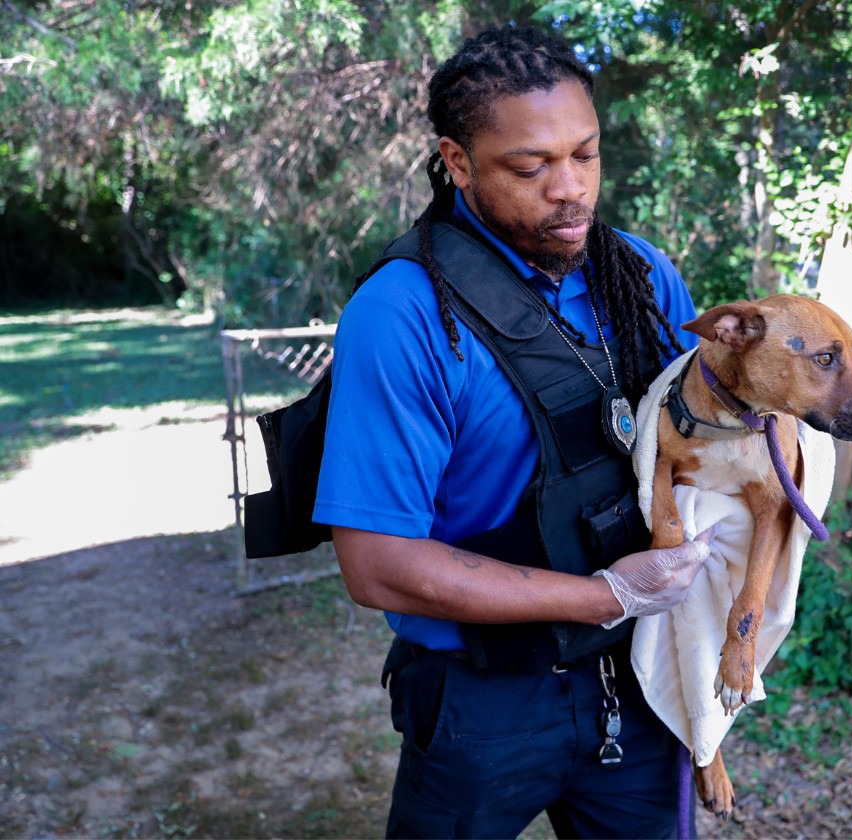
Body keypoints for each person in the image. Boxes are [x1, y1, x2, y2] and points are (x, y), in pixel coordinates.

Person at [312, 23, 710, 840]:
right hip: (481, 701)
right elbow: (379, 567)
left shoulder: (641, 275)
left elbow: (700, 444)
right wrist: (606, 594)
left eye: (586, 155)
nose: (570, 188)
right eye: (530, 167)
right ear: (456, 163)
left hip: (637, 684)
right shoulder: (404, 316)